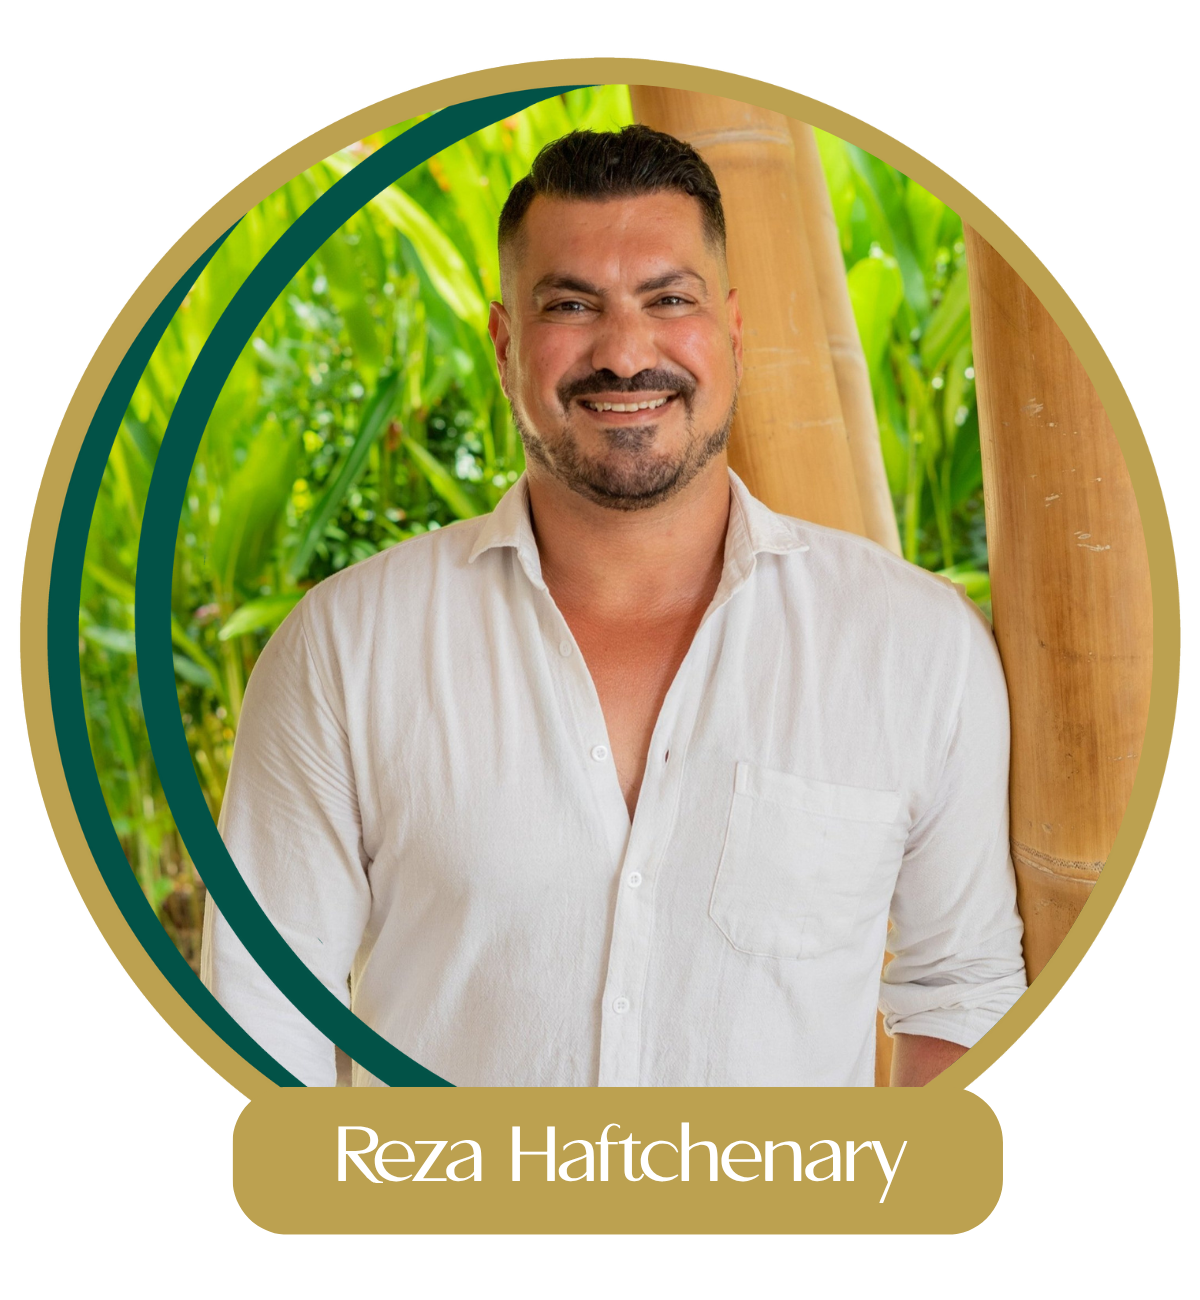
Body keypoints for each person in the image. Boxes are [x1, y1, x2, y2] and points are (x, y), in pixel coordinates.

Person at [201, 125, 1026, 1088]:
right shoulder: (346, 650)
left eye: (668, 300)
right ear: (508, 345)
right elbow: (263, 1016)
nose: (625, 354)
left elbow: (961, 995)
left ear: (731, 334)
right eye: (572, 305)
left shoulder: (916, 647)